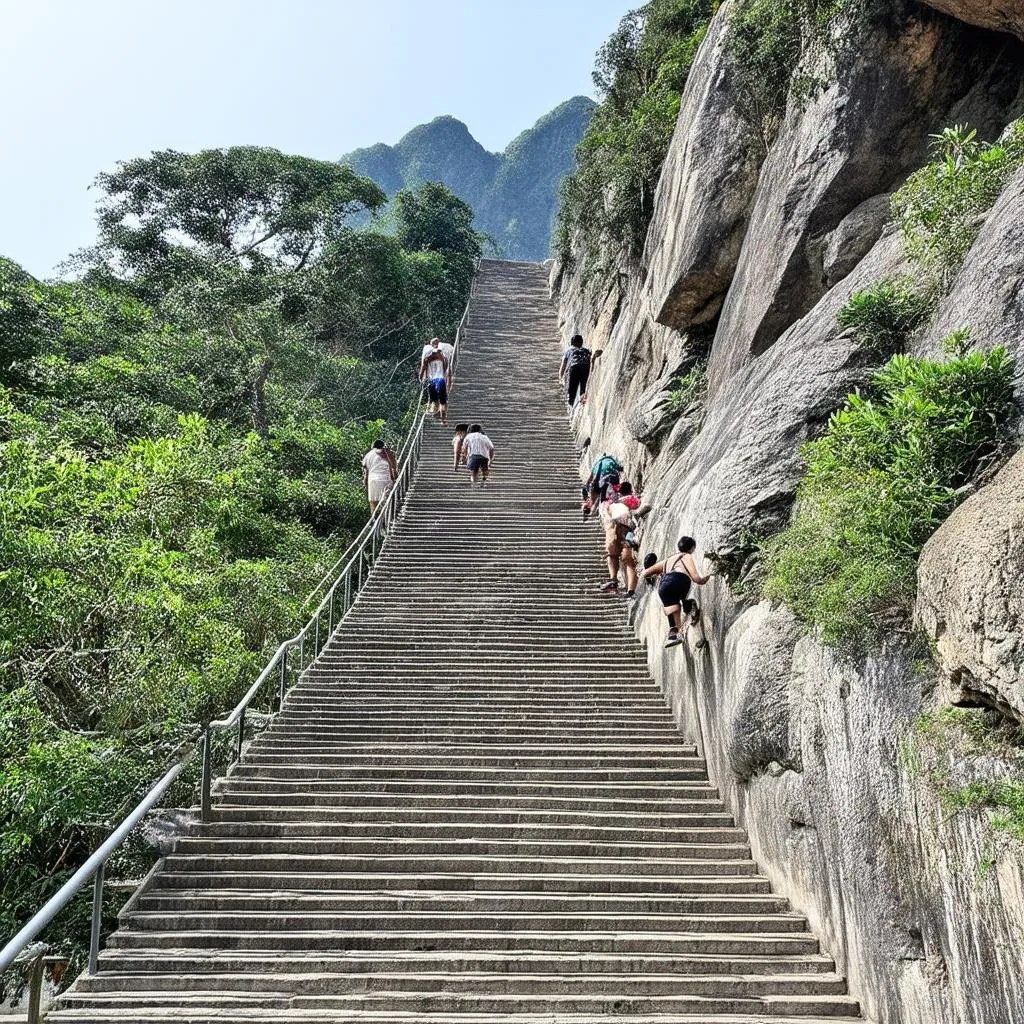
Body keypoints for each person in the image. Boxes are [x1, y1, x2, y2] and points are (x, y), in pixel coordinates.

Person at [642, 536, 711, 647]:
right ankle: (687, 604)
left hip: (663, 586)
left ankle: (673, 634)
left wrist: (659, 574)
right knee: (679, 593)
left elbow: (645, 573)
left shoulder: (667, 560)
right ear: (692, 548)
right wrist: (703, 580)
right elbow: (695, 577)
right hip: (679, 581)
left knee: (671, 606)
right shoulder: (686, 556)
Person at [598, 481, 649, 598]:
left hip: (614, 526)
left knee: (612, 555)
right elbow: (636, 505)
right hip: (627, 528)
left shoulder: (611, 504)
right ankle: (630, 590)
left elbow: (607, 514)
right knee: (628, 559)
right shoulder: (629, 501)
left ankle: (613, 579)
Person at [419, 337, 450, 424]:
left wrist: (420, 377)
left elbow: (423, 367)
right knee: (443, 402)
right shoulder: (442, 356)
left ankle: (433, 416)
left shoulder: (427, 356)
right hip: (440, 379)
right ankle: (443, 420)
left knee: (434, 401)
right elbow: (446, 368)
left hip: (432, 381)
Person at [361, 439, 396, 517]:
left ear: (373, 447)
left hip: (372, 480)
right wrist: (394, 478)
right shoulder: (386, 453)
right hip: (385, 480)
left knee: (373, 503)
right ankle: (388, 518)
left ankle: (375, 520)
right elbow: (392, 467)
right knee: (387, 502)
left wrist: (365, 483)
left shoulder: (368, 455)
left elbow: (366, 473)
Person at [582, 453, 622, 519]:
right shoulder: (611, 460)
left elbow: (589, 480)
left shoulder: (597, 464)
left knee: (601, 496)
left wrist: (587, 488)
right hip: (611, 477)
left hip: (603, 480)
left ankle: (591, 505)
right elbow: (620, 468)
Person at [559, 334, 594, 409]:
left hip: (574, 368)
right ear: (581, 343)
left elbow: (563, 365)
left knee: (572, 391)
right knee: (583, 390)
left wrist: (561, 378)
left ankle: (571, 408)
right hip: (585, 368)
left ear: (572, 343)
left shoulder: (569, 350)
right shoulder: (586, 350)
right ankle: (582, 407)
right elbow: (591, 361)